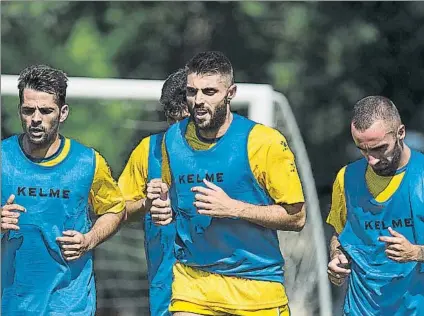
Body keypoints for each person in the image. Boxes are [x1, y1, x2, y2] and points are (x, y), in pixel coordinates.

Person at [150, 51, 306, 316]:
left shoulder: (264, 142)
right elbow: (173, 200)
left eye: (209, 92)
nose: (198, 101)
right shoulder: (172, 139)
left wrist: (234, 208)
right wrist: (162, 207)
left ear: (230, 92)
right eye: (192, 91)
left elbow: (297, 217)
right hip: (194, 284)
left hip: (256, 286)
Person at [1, 65, 126, 315]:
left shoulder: (87, 162)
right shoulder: (3, 157)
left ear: (63, 112)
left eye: (45, 111)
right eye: (28, 110)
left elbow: (116, 210)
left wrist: (89, 239)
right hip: (13, 303)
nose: (36, 118)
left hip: (70, 303)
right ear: (20, 111)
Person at [326, 96, 424, 315]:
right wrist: (336, 256)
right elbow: (340, 234)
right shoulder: (346, 178)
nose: (371, 159)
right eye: (363, 149)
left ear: (401, 133)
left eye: (380, 149)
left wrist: (416, 252)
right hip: (360, 309)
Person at [118, 68, 189, 316]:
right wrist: (146, 203)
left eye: (186, 122)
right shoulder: (149, 151)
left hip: (221, 288)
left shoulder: (228, 152)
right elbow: (117, 211)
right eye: (172, 122)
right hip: (166, 290)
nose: (178, 131)